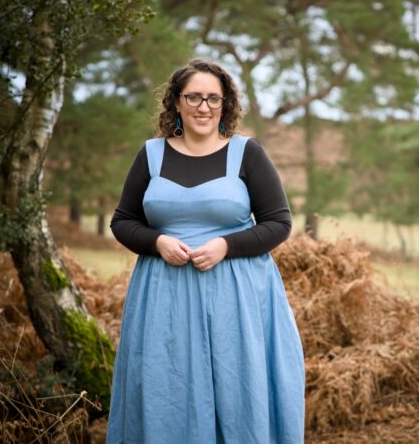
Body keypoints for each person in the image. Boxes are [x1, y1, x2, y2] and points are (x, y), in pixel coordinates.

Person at [106, 58, 305, 444]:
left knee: (237, 391)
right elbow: (123, 221)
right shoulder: (150, 154)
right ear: (176, 103)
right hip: (163, 298)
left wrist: (225, 245)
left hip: (237, 298)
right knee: (167, 390)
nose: (204, 106)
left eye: (214, 98)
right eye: (194, 97)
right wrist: (157, 241)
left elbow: (279, 223)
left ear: (225, 104)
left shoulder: (248, 153)